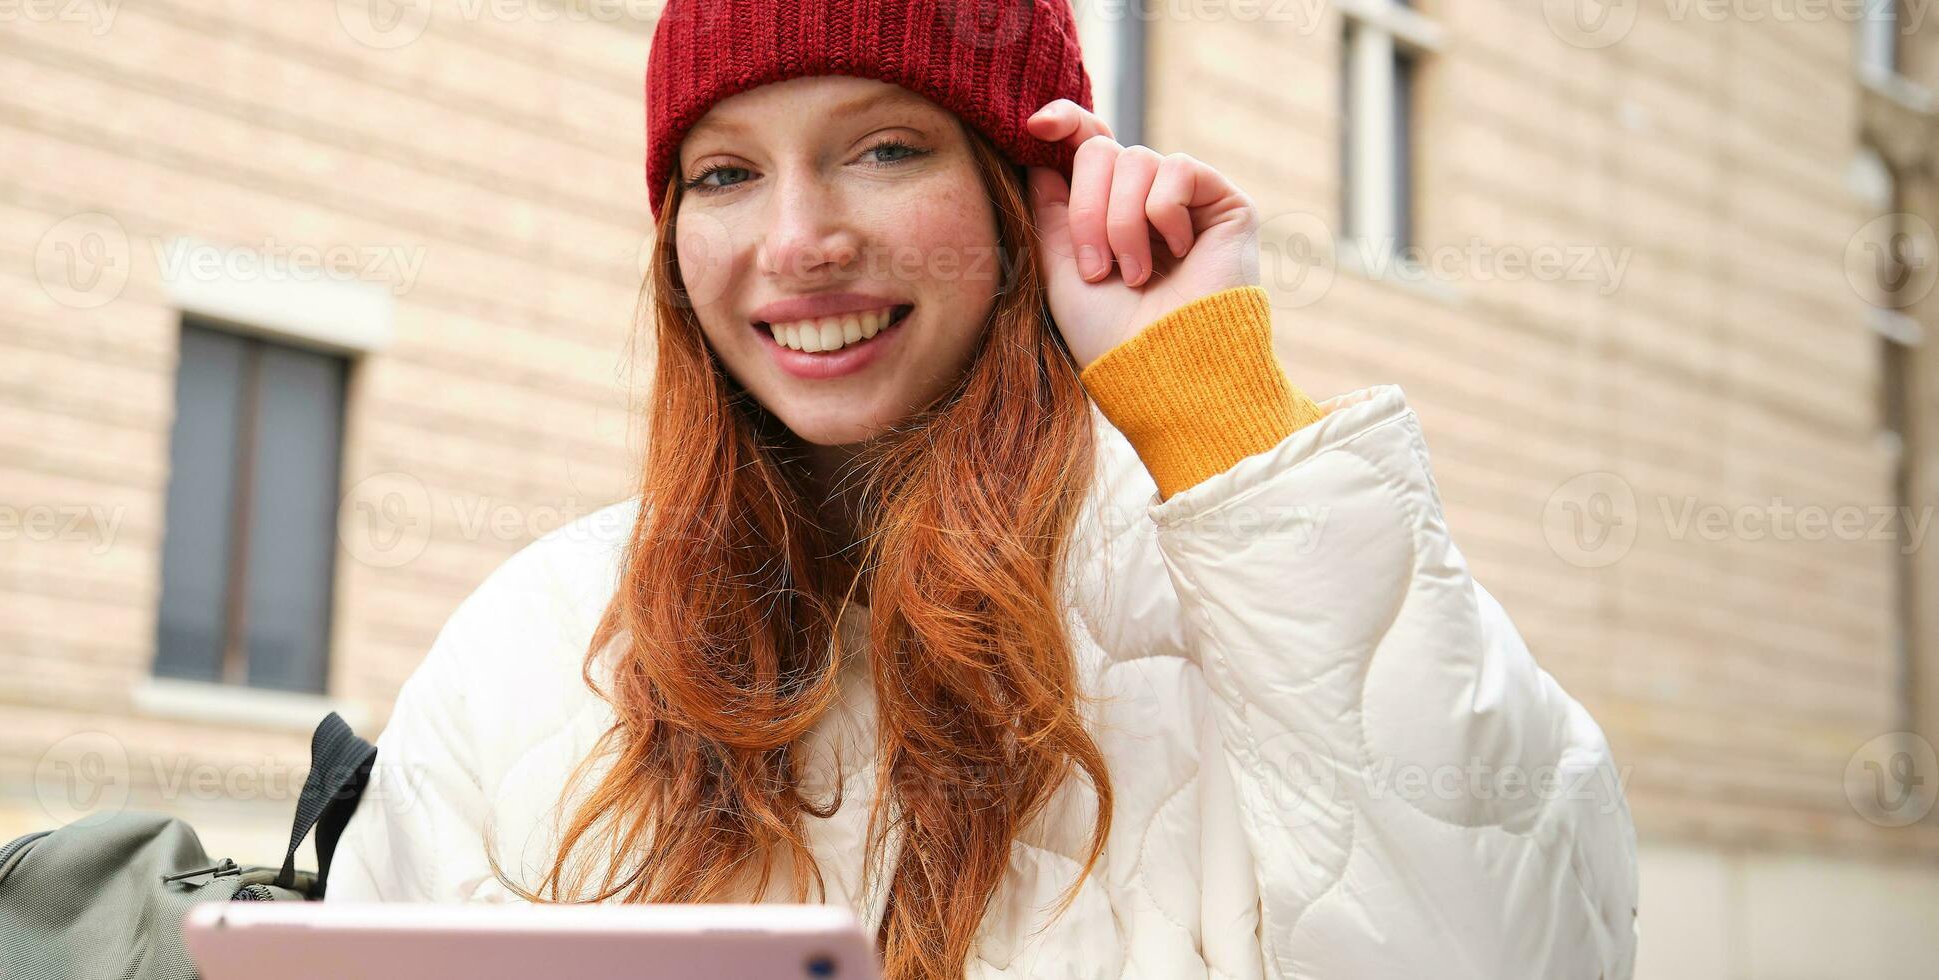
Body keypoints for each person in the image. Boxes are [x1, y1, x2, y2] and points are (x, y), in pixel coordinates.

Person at [323, 2, 1640, 978]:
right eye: (725, 173)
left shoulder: (1239, 582)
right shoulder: (536, 641)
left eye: (885, 150)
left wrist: (1221, 418)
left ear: (1030, 201)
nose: (797, 242)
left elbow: (1513, 945)